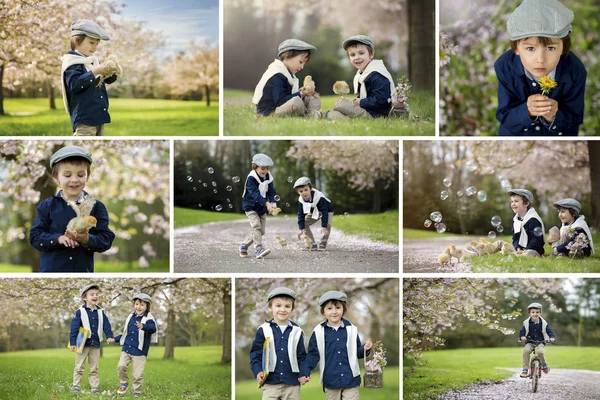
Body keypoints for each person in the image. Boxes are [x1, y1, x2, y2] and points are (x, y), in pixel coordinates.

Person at [494, 0, 586, 136]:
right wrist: (527, 111)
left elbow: (574, 119)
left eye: (550, 48)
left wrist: (554, 116)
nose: (541, 60)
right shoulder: (505, 67)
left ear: (563, 48)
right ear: (516, 48)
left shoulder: (575, 70)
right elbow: (504, 116)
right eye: (530, 48)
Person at [29, 146, 115, 272]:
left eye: (80, 175)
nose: (74, 180)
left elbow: (106, 239)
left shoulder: (96, 206)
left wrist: (87, 239)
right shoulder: (47, 206)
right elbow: (35, 237)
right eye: (67, 175)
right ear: (56, 177)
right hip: (52, 272)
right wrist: (58, 239)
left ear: (87, 176)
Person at [301, 291, 373, 399]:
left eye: (338, 308)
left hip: (351, 380)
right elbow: (313, 355)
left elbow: (357, 352)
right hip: (331, 380)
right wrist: (305, 371)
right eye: (329, 308)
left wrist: (365, 348)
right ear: (323, 311)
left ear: (343, 309)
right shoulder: (318, 332)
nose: (334, 312)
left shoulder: (351, 329)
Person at [60, 20, 119, 136]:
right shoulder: (73, 63)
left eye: (97, 44)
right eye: (91, 42)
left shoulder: (92, 61)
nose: (95, 47)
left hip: (98, 114)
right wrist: (95, 71)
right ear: (76, 40)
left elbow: (107, 80)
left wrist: (111, 71)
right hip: (85, 116)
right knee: (84, 138)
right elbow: (75, 85)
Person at [249, 287, 307, 400]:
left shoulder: (297, 331)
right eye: (278, 305)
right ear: (270, 307)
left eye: (287, 306)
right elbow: (255, 354)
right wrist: (258, 371)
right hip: (270, 383)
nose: (283, 309)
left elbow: (302, 356)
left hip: (292, 384)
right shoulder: (263, 330)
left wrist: (304, 373)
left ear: (292, 309)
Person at [327, 35, 396, 120]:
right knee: (334, 112)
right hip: (368, 111)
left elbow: (381, 100)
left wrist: (361, 102)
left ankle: (328, 115)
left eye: (361, 53)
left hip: (376, 115)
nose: (357, 57)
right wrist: (358, 100)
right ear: (349, 58)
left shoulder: (377, 74)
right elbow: (366, 94)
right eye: (352, 55)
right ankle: (329, 115)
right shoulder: (362, 74)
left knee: (340, 105)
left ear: (371, 54)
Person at [252, 39, 321, 118]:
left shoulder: (288, 74)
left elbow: (288, 95)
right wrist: (300, 94)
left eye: (304, 64)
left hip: (282, 107)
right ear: (288, 56)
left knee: (312, 97)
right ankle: (308, 115)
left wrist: (302, 92)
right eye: (300, 62)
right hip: (270, 112)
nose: (302, 67)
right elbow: (280, 102)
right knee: (296, 102)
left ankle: (312, 113)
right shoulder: (276, 75)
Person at [70, 283, 115, 394]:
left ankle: (94, 388)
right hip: (82, 342)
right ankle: (76, 385)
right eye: (92, 294)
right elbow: (74, 328)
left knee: (94, 368)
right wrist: (72, 342)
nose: (95, 296)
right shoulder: (80, 311)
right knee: (79, 366)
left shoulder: (100, 311)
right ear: (85, 298)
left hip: (95, 343)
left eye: (97, 294)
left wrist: (109, 336)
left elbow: (106, 325)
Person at [113, 293, 157, 398]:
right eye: (137, 304)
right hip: (127, 348)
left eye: (142, 305)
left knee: (137, 374)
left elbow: (153, 328)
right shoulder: (131, 317)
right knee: (121, 365)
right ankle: (123, 383)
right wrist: (115, 339)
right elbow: (126, 333)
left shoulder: (149, 319)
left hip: (139, 351)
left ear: (147, 307)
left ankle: (137, 391)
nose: (138, 307)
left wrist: (143, 326)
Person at [240, 153, 278, 259]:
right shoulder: (251, 178)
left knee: (261, 231)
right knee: (256, 226)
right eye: (262, 168)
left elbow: (271, 191)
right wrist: (267, 203)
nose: (265, 171)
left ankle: (244, 245)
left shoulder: (268, 177)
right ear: (255, 167)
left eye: (267, 168)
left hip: (261, 208)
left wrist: (273, 204)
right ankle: (258, 249)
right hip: (250, 206)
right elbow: (255, 194)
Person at [293, 177, 334, 250]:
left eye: (306, 190)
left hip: (327, 210)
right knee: (304, 223)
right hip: (313, 211)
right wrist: (300, 229)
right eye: (301, 191)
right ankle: (312, 243)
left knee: (327, 226)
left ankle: (323, 242)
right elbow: (300, 214)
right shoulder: (301, 200)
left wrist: (323, 226)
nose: (304, 193)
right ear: (298, 192)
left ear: (310, 188)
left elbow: (324, 211)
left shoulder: (319, 197)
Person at [519, 302, 556, 378]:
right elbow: (522, 331)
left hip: (540, 342)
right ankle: (525, 369)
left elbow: (549, 331)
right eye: (533, 312)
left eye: (537, 312)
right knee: (526, 351)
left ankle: (544, 364)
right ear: (529, 313)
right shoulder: (526, 323)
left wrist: (551, 337)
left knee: (540, 352)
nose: (535, 314)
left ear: (540, 313)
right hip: (530, 341)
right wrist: (522, 336)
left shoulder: (544, 323)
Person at [508, 189, 545, 256]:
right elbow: (515, 238)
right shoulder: (516, 220)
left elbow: (537, 240)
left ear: (526, 203)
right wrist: (517, 247)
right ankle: (487, 249)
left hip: (533, 250)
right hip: (520, 250)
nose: (513, 204)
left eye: (516, 201)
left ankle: (516, 254)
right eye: (512, 201)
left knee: (528, 253)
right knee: (502, 244)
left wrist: (526, 249)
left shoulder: (533, 220)